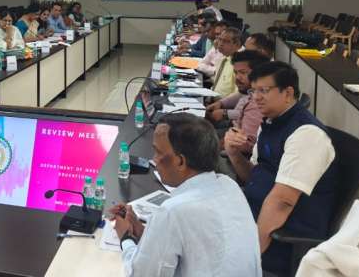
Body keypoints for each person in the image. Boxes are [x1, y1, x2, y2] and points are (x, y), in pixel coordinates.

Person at [110, 113, 261, 276]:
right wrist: (144, 232)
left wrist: (126, 238)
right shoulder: (229, 185)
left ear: (181, 161)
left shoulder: (173, 211)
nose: (154, 159)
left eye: (158, 152)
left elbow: (141, 274)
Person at [224, 61, 336, 274]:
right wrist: (234, 154)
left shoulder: (307, 134)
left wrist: (251, 258)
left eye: (264, 90)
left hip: (283, 236)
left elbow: (282, 202)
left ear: (288, 93)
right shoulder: (270, 122)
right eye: (253, 91)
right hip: (254, 216)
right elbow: (254, 177)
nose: (256, 97)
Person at [206, 50, 270, 153]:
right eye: (236, 73)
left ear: (258, 73)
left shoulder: (257, 104)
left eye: (243, 73)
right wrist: (220, 103)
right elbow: (239, 94)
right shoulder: (250, 91)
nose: (237, 78)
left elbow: (244, 145)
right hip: (233, 129)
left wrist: (212, 147)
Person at [212, 27, 244, 97]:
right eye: (220, 39)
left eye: (225, 41)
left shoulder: (240, 65)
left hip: (224, 103)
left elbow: (238, 94)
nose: (220, 44)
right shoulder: (224, 59)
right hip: (213, 99)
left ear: (237, 45)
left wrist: (221, 102)